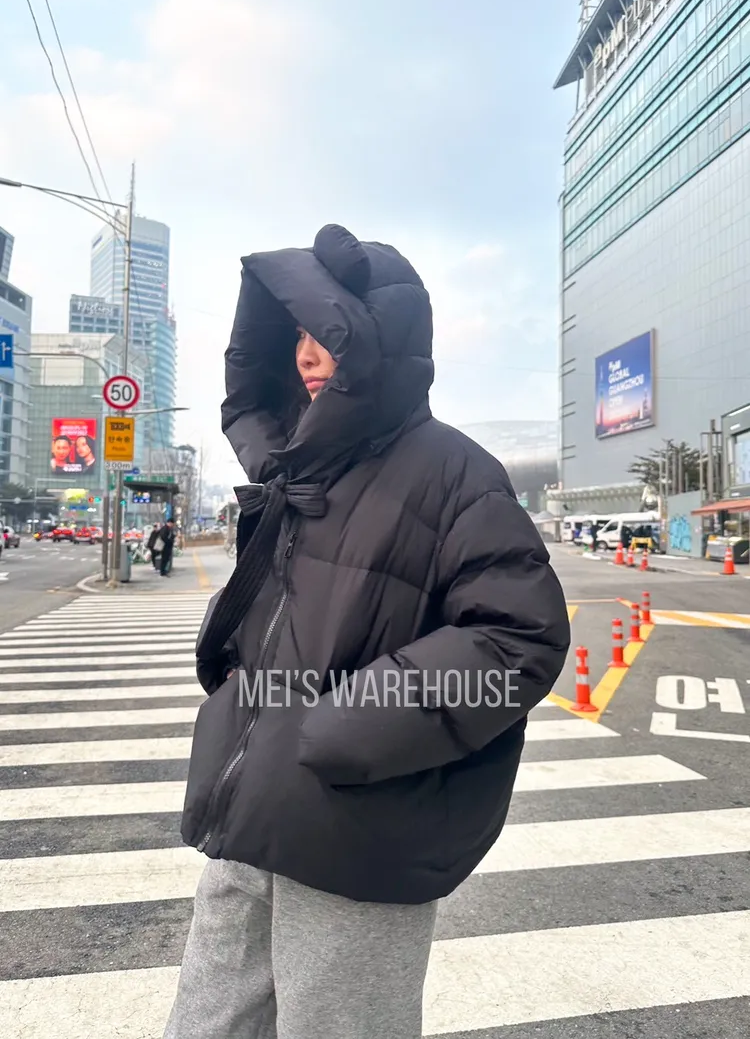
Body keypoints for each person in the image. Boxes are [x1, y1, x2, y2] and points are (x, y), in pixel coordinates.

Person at [163, 224, 570, 1039]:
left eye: (328, 332)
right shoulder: (297, 466)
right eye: (296, 335)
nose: (307, 355)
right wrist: (237, 678)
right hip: (250, 808)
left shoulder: (453, 471)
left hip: (357, 828)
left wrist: (345, 728)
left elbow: (519, 636)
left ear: (380, 340)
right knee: (206, 1023)